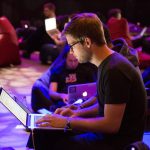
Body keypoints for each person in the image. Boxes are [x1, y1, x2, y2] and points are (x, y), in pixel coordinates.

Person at [27, 13, 147, 150]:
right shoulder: (106, 64)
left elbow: (111, 125)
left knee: (57, 143)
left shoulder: (115, 69)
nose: (71, 51)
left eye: (72, 45)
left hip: (118, 142)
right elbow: (104, 104)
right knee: (44, 131)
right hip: (107, 135)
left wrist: (67, 122)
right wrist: (77, 111)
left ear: (87, 42)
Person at [31, 44, 97, 113]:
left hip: (83, 101)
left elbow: (93, 87)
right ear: (65, 59)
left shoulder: (85, 70)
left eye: (76, 60)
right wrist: (61, 96)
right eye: (70, 61)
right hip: (64, 103)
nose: (73, 63)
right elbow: (52, 92)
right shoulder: (57, 70)